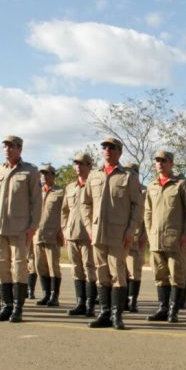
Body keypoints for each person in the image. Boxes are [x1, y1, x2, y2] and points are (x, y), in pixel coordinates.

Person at [81, 137, 142, 330]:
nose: (107, 150)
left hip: (119, 234)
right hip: (97, 233)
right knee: (101, 273)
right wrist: (90, 228)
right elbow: (85, 203)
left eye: (112, 148)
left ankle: (117, 316)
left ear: (119, 152)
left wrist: (130, 231)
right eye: (105, 147)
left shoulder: (128, 176)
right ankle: (105, 314)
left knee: (118, 272)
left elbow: (137, 206)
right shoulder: (94, 176)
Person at [0, 135, 41, 323]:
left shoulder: (30, 171)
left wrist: (32, 227)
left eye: (12, 146)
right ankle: (6, 306)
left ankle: (18, 308)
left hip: (20, 228)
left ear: (20, 149)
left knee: (19, 267)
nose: (8, 149)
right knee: (0, 267)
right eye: (6, 146)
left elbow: (36, 201)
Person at [144, 151, 186, 323]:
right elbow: (148, 211)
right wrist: (150, 232)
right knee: (160, 276)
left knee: (177, 276)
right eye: (157, 160)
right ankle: (163, 308)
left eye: (164, 161)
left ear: (171, 163)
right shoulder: (152, 185)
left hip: (175, 239)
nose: (160, 164)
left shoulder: (180, 184)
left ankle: (174, 311)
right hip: (156, 239)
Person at [62, 152, 98, 316]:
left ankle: (90, 305)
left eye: (82, 163)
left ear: (89, 165)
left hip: (88, 235)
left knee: (90, 269)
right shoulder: (70, 187)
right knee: (76, 270)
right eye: (76, 163)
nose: (78, 166)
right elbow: (64, 211)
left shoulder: (96, 185)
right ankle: (80, 303)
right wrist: (64, 229)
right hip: (72, 234)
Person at [34, 164, 65, 306]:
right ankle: (46, 294)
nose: (44, 176)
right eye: (42, 174)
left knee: (53, 266)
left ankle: (54, 296)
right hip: (37, 235)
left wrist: (62, 230)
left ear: (53, 175)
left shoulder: (60, 193)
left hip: (53, 234)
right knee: (40, 266)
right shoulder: (37, 192)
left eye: (47, 173)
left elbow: (65, 214)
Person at [124, 162, 148, 312]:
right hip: (122, 235)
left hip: (137, 236)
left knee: (134, 271)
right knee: (122, 270)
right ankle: (123, 299)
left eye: (133, 172)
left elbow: (148, 216)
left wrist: (145, 236)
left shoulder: (145, 191)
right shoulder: (124, 190)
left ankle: (132, 301)